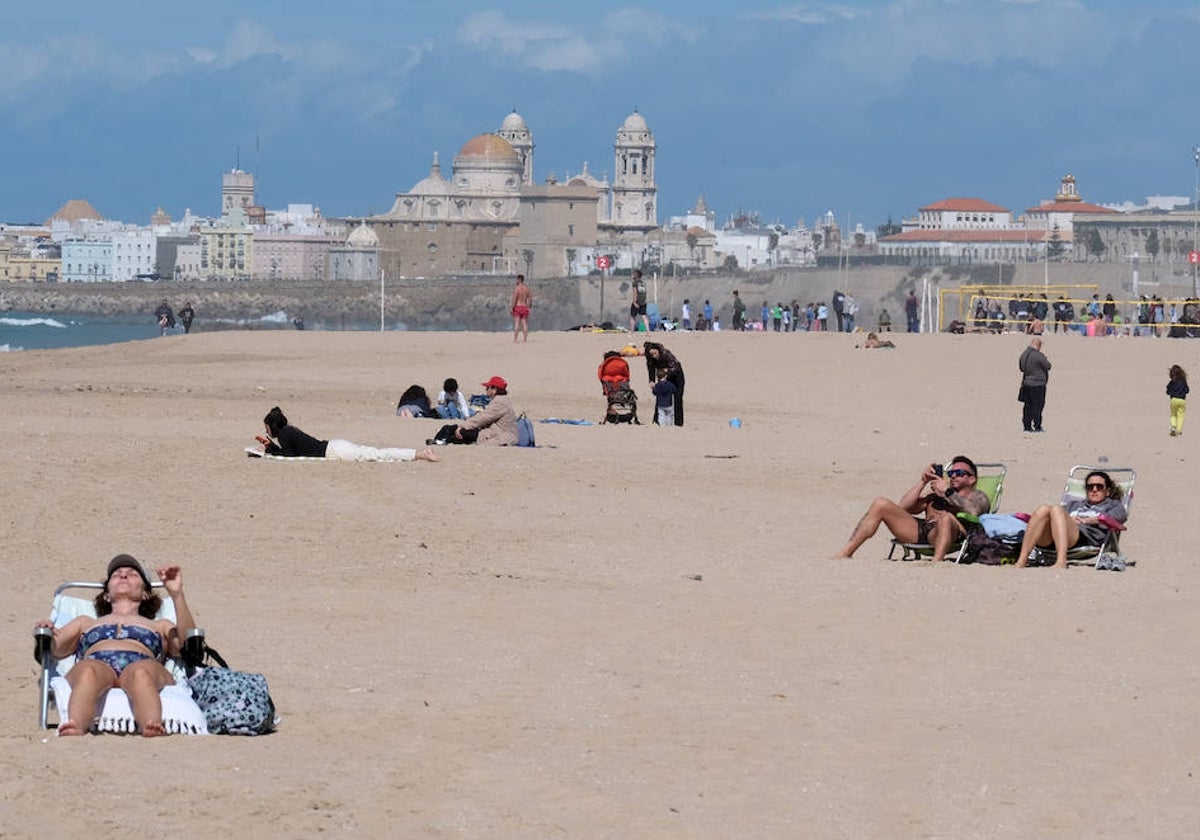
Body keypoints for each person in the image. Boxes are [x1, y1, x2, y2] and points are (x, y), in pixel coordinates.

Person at [33, 555, 195, 736]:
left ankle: (151, 725)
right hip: (97, 665)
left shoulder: (159, 625)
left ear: (146, 593)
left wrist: (177, 595)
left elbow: (187, 645)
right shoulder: (85, 622)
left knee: (140, 673)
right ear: (106, 594)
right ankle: (75, 725)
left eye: (133, 574)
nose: (124, 576)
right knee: (87, 672)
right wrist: (45, 633)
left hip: (144, 664)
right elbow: (56, 648)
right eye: (117, 574)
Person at [838, 457, 991, 562]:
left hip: (950, 533)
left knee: (945, 517)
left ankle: (936, 562)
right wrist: (922, 482)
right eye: (951, 473)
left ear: (972, 479)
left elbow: (976, 511)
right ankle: (846, 553)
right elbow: (903, 507)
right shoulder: (937, 494)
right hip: (922, 530)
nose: (954, 476)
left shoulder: (978, 496)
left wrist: (948, 493)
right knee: (881, 504)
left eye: (959, 473)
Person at [1014, 470, 1128, 569]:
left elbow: (1119, 518)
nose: (1094, 490)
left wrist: (1092, 520)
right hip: (1053, 539)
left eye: (1099, 487)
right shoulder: (1073, 504)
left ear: (1107, 491)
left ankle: (1061, 561)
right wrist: (1070, 519)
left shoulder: (1113, 506)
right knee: (1043, 509)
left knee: (1056, 509)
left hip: (1083, 538)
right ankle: (1021, 561)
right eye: (1090, 487)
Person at [257, 407, 440, 462]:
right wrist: (270, 446)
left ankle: (420, 454)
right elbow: (292, 452)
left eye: (267, 428)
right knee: (377, 453)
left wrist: (270, 450)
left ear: (273, 426)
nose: (267, 431)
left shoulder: (284, 435)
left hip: (335, 451)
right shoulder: (289, 431)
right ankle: (418, 454)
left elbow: (289, 456)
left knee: (378, 455)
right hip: (335, 446)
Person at [429, 376, 518, 445]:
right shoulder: (501, 400)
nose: (486, 389)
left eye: (488, 387)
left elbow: (483, 418)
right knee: (450, 428)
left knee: (460, 432)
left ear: (494, 390)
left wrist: (463, 426)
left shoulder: (500, 402)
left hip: (500, 436)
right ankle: (440, 441)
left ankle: (442, 442)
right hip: (493, 432)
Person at [643, 341, 684, 427]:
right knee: (660, 395)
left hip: (676, 375)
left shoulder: (666, 354)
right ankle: (657, 420)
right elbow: (651, 369)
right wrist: (651, 380)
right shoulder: (650, 359)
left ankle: (678, 423)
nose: (654, 356)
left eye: (655, 353)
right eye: (651, 355)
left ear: (657, 350)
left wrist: (666, 371)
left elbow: (675, 367)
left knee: (678, 398)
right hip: (664, 376)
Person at [1018, 337, 1051, 433]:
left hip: (1026, 383)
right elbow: (1048, 366)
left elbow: (1021, 367)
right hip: (1038, 384)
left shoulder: (1024, 354)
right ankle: (1037, 425)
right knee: (1038, 406)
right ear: (1038, 345)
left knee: (1027, 406)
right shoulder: (1039, 355)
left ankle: (1027, 426)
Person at [1168, 364, 1189, 436]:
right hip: (1182, 400)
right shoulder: (1183, 381)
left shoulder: (1172, 382)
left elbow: (1168, 391)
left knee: (1173, 414)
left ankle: (1173, 427)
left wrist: (1171, 392)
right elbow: (1187, 390)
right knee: (1181, 415)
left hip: (1173, 400)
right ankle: (1179, 430)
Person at [511, 275, 532, 342]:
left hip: (518, 307)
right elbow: (530, 299)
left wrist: (512, 307)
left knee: (517, 323)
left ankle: (515, 339)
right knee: (524, 323)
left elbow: (514, 299)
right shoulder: (527, 288)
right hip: (525, 307)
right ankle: (525, 339)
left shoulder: (517, 289)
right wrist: (529, 307)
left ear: (519, 280)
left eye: (517, 280)